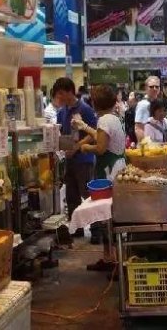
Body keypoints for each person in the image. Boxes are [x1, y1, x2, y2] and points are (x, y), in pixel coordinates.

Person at [73, 85, 126, 270]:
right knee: (111, 215)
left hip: (108, 173)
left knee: (106, 217)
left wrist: (86, 148)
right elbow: (103, 138)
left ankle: (113, 260)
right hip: (117, 168)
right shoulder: (114, 118)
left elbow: (101, 147)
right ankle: (111, 258)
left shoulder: (104, 120)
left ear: (96, 103)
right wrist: (85, 127)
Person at [55, 78, 97, 237]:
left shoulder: (85, 109)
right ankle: (76, 228)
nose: (59, 97)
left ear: (69, 92)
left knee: (88, 195)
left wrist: (76, 147)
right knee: (71, 196)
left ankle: (96, 231)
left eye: (61, 93)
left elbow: (94, 133)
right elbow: (62, 133)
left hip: (84, 160)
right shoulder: (62, 111)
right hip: (69, 160)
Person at [135, 76, 161, 142]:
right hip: (149, 146)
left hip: (158, 145)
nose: (154, 89)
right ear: (146, 88)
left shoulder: (158, 102)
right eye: (151, 87)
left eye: (157, 87)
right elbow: (139, 128)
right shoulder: (143, 104)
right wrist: (144, 146)